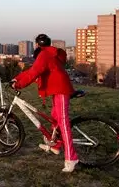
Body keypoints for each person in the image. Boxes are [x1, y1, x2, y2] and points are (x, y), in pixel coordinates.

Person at [10, 33, 78, 173]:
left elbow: (34, 73)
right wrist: (17, 79)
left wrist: (18, 85)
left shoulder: (44, 55)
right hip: (57, 89)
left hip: (61, 90)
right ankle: (56, 145)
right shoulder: (49, 53)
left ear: (37, 44)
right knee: (55, 118)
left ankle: (71, 158)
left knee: (64, 123)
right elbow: (32, 70)